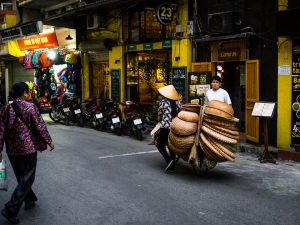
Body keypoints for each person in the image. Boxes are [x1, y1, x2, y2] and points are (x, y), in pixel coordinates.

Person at [0, 82, 55, 224]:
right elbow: (40, 127)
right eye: (28, 92)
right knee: (27, 178)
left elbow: (1, 131)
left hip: (12, 150)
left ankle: (29, 199)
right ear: (24, 93)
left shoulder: (6, 108)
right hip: (28, 148)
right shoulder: (30, 107)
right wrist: (49, 141)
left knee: (22, 177)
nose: (29, 94)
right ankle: (11, 209)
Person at [156, 85, 181, 173]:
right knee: (171, 146)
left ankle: (169, 160)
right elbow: (180, 113)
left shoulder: (163, 102)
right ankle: (172, 167)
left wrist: (160, 119)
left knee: (159, 145)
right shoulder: (177, 102)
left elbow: (159, 115)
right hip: (175, 127)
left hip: (165, 127)